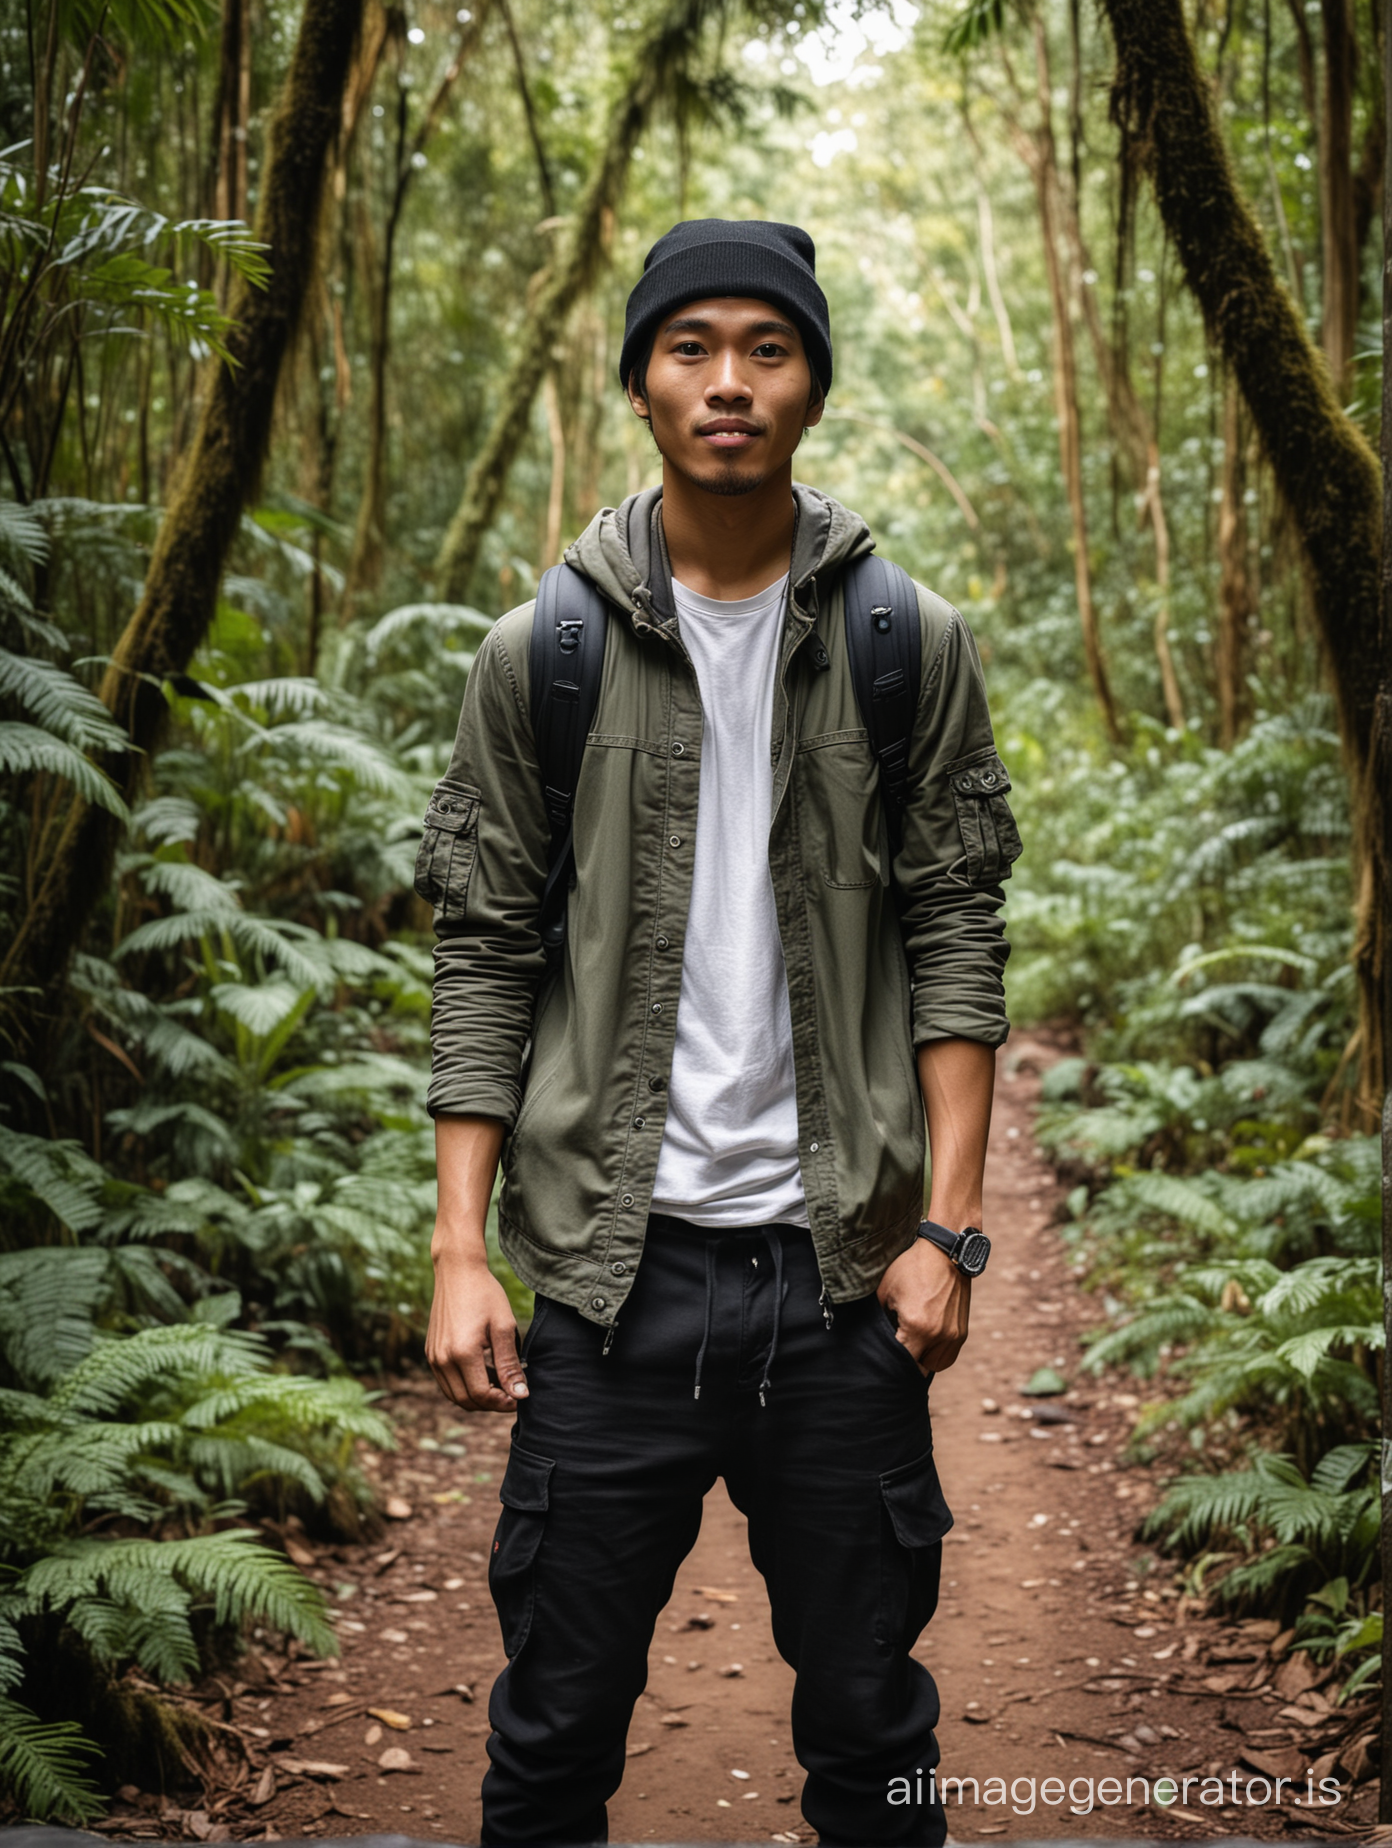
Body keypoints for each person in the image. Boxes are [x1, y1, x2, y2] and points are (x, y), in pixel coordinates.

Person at [415, 217, 1022, 1847]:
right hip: (618, 1290)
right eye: (691, 348)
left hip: (840, 1292)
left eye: (767, 346)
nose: (729, 382)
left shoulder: (910, 645)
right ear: (640, 383)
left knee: (875, 1741)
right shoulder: (538, 652)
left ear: (813, 383)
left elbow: (958, 929)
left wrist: (948, 1233)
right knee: (549, 1740)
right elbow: (481, 947)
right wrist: (461, 1247)